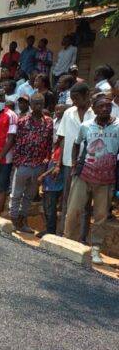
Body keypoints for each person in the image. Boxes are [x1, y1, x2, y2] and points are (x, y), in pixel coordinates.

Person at [64, 94, 118, 264]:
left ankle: (95, 249)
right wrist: (74, 164)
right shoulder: (86, 126)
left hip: (106, 178)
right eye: (101, 106)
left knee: (101, 215)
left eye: (108, 106)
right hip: (84, 174)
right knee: (73, 210)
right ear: (93, 109)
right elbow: (76, 143)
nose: (104, 109)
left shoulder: (118, 126)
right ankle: (68, 243)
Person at [9, 93, 54, 232]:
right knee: (16, 194)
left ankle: (23, 221)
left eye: (41, 103)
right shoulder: (22, 121)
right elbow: (16, 143)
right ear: (31, 105)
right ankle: (13, 220)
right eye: (35, 104)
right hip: (23, 163)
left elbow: (49, 143)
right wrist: (17, 161)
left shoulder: (48, 122)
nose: (38, 106)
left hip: (39, 165)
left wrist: (46, 159)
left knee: (29, 195)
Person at [54, 82, 95, 235]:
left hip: (89, 163)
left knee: (85, 203)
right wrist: (58, 163)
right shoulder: (68, 113)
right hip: (68, 162)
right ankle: (64, 232)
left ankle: (82, 236)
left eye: (77, 98)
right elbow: (63, 138)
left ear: (86, 96)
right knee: (66, 199)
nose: (75, 102)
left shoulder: (95, 113)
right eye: (72, 99)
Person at [37, 140, 64, 237]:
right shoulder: (55, 147)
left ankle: (51, 230)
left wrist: (43, 175)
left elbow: (58, 165)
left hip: (54, 182)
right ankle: (48, 228)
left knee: (50, 208)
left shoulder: (61, 149)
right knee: (46, 207)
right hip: (48, 182)